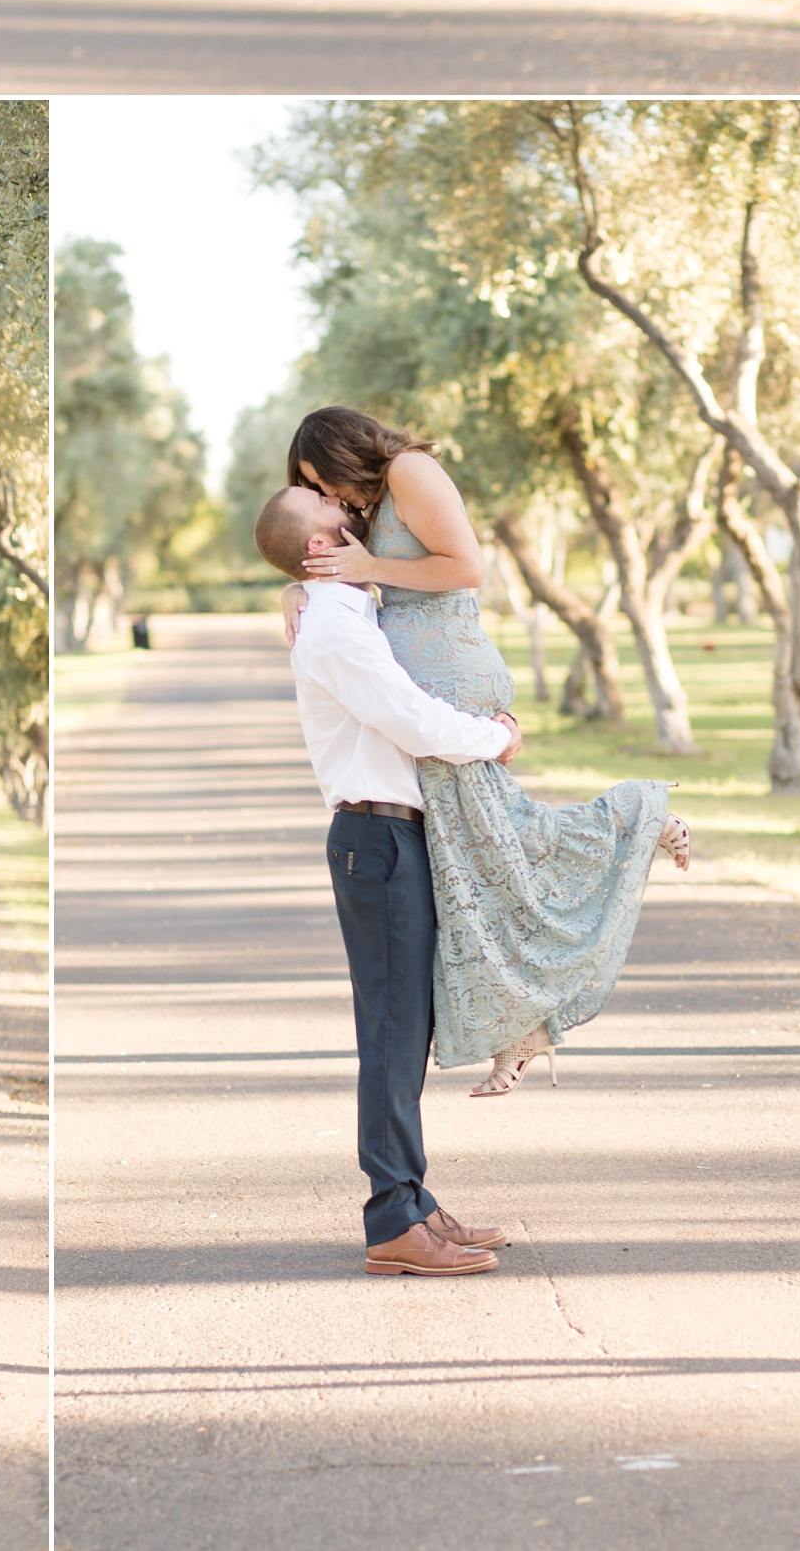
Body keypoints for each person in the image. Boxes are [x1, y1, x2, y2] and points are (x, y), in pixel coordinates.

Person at [283, 404, 689, 1098]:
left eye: (324, 483)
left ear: (347, 452)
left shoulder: (410, 469)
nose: (329, 499)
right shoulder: (377, 503)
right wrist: (299, 587)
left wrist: (369, 563)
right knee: (475, 855)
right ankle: (517, 1024)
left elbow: (466, 567)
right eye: (316, 492)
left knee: (495, 845)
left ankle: (635, 816)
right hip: (425, 675)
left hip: (445, 671)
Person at [253, 484, 523, 1280]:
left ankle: (414, 1203)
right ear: (316, 546)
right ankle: (392, 1220)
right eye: (330, 507)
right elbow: (407, 718)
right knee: (391, 1036)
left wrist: (296, 589)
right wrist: (494, 739)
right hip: (375, 838)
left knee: (405, 1033)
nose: (348, 505)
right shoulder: (334, 627)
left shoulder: (341, 608)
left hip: (390, 835)